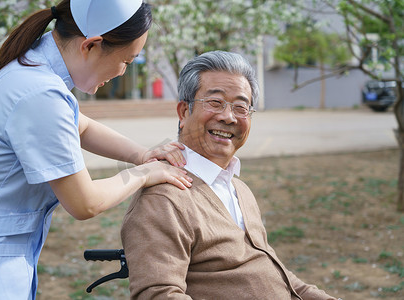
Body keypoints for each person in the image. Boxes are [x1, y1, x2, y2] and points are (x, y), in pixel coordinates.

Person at [0, 1, 193, 299]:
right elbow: (84, 203)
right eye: (127, 62)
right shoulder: (40, 93)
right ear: (91, 45)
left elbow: (82, 126)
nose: (122, 73)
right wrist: (145, 173)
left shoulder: (35, 66)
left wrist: (142, 155)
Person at [121, 51, 340, 300]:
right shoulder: (163, 199)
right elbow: (158, 295)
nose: (228, 116)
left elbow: (274, 272)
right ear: (183, 112)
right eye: (215, 103)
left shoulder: (239, 188)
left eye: (240, 107)